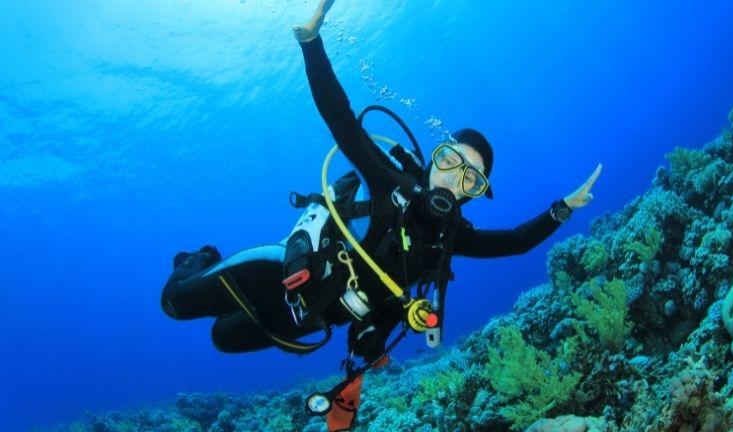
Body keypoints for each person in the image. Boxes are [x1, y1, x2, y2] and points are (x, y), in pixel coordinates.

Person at [160, 0, 601, 429]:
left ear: (475, 193)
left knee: (223, 339)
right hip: (281, 272)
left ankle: (213, 273)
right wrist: (312, 43)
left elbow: (514, 242)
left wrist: (562, 209)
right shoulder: (390, 182)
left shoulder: (451, 239)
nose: (452, 181)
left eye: (471, 179)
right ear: (433, 158)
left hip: (305, 318)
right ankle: (195, 261)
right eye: (450, 162)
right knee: (174, 304)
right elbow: (342, 121)